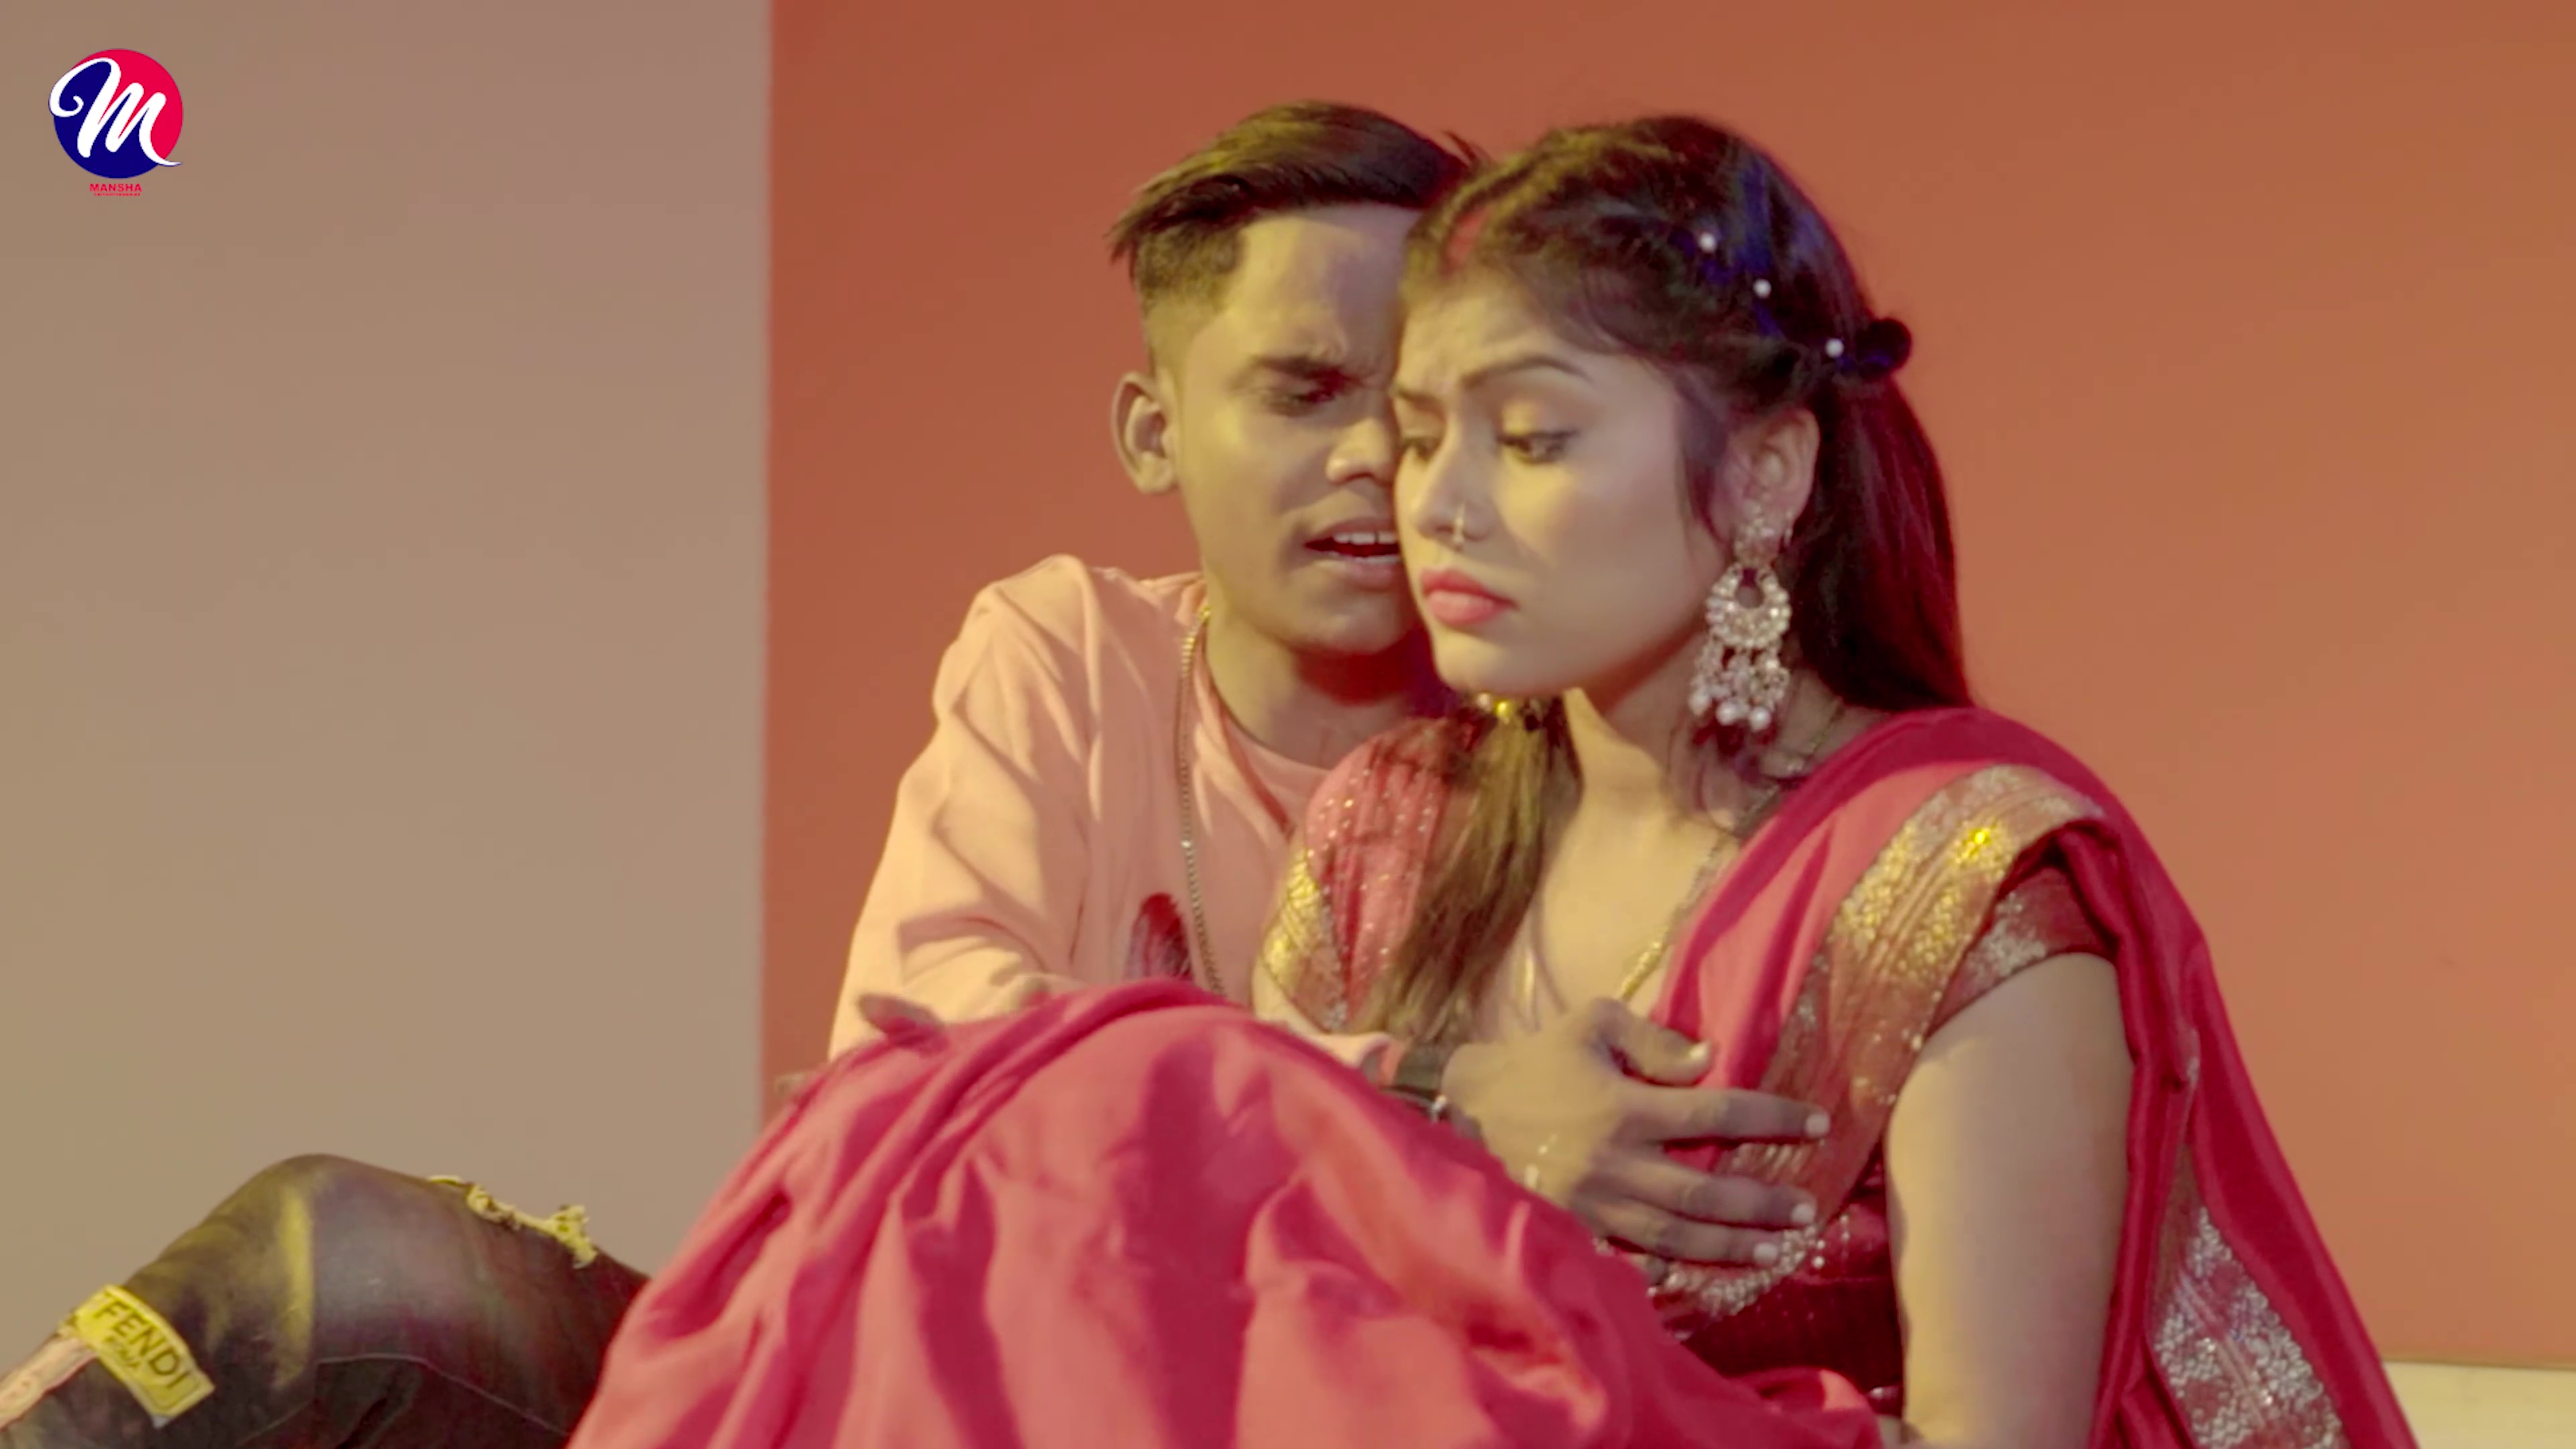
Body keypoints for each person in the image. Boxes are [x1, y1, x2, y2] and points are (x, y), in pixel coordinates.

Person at [560, 117, 2419, 1449]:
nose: (1428, 506)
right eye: (1421, 434)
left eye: (1528, 439)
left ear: (1768, 477)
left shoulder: (1962, 882)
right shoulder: (1395, 832)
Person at [0, 103, 1825, 1449]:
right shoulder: (1069, 653)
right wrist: (1425, 1101)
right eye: (1302, 393)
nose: (1379, 465)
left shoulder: (1568, 748)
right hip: (896, 1384)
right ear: (1153, 432)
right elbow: (922, 1051)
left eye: (1423, 410)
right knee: (345, 1269)